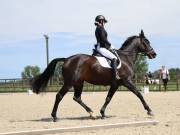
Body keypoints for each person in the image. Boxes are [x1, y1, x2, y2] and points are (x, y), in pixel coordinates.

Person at [94, 15, 120, 81]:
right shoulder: (100, 28)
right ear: (102, 21)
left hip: (101, 47)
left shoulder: (98, 28)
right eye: (104, 22)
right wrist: (110, 45)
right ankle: (115, 74)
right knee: (114, 58)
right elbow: (103, 39)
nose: (104, 23)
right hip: (102, 47)